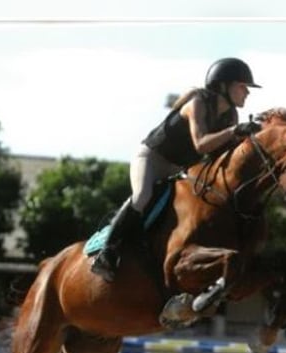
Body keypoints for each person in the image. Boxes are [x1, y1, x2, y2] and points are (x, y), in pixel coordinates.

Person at [90, 57, 263, 282]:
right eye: (242, 87)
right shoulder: (197, 104)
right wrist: (233, 131)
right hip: (152, 158)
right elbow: (201, 143)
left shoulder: (230, 116)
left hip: (178, 169)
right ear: (223, 86)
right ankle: (107, 252)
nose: (247, 93)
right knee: (143, 196)